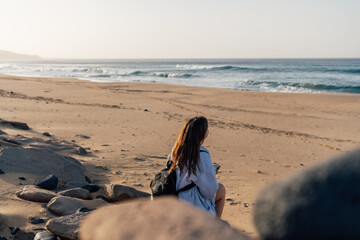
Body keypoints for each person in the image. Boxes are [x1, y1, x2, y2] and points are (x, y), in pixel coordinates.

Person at [169, 116, 226, 218]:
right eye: (207, 129)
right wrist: (212, 173)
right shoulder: (201, 154)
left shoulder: (176, 149)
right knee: (221, 189)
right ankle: (215, 227)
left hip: (175, 196)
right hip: (191, 203)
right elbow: (209, 192)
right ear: (202, 133)